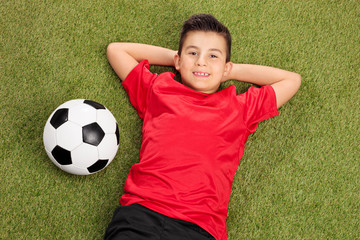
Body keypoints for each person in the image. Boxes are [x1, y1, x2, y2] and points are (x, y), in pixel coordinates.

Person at [104, 13, 301, 240]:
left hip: (199, 228)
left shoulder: (239, 108)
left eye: (213, 56)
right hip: (141, 215)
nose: (201, 62)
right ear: (178, 61)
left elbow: (291, 80)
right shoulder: (158, 90)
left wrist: (229, 70)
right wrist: (177, 58)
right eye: (193, 53)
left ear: (226, 67)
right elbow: (116, 51)